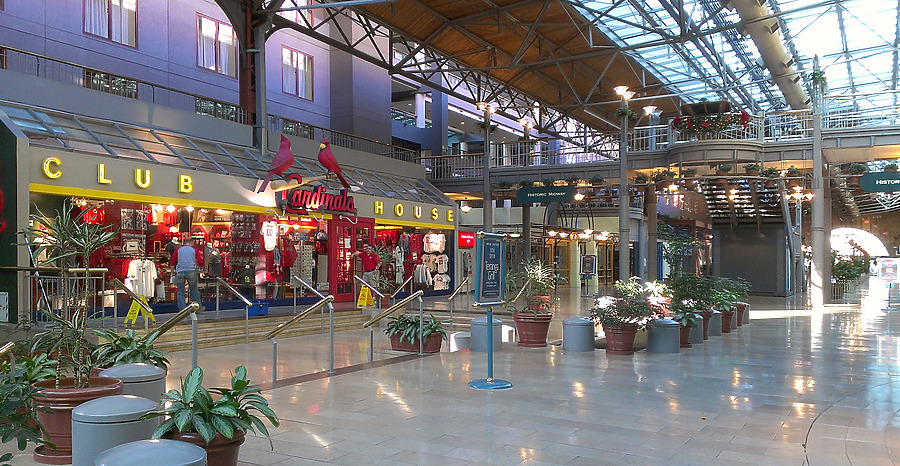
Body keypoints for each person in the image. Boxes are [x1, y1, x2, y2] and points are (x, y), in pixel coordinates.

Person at [173, 237, 204, 311]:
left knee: (180, 291)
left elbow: (173, 260)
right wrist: (201, 267)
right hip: (191, 271)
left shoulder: (178, 250)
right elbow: (200, 261)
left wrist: (172, 272)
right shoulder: (194, 250)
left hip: (180, 271)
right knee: (194, 290)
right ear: (191, 243)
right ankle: (198, 308)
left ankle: (182, 310)